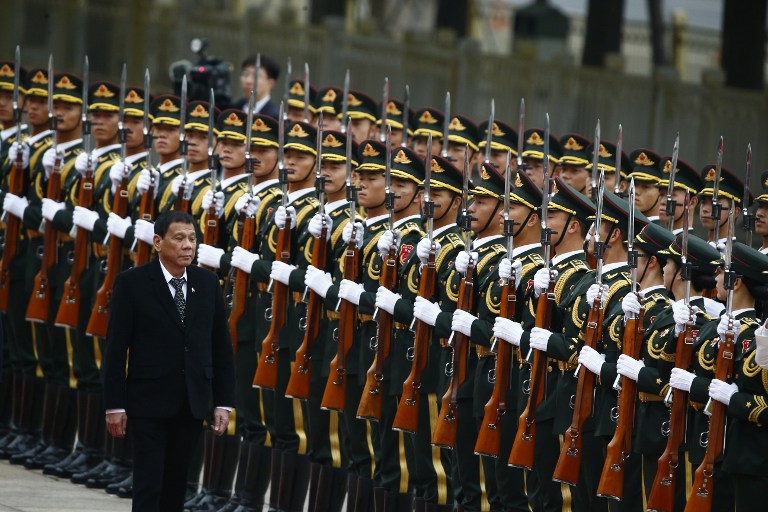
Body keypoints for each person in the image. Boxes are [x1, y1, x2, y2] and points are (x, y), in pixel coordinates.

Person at [102, 210, 235, 512]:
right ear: (158, 242)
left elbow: (221, 348)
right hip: (147, 401)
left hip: (191, 402)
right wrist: (114, 405)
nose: (188, 245)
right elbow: (115, 349)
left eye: (192, 238)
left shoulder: (208, 283)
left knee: (176, 487)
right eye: (179, 238)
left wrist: (223, 402)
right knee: (149, 485)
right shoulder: (132, 283)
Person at [232, 54, 280, 119]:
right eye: (245, 74)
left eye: (256, 76)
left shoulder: (274, 118)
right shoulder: (232, 110)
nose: (248, 81)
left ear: (270, 83)